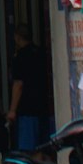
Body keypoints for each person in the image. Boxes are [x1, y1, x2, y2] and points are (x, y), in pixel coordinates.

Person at [7, 23, 51, 151]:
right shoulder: (41, 53)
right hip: (43, 107)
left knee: (28, 152)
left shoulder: (20, 57)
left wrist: (12, 110)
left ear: (17, 37)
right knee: (44, 149)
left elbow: (18, 84)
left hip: (27, 109)